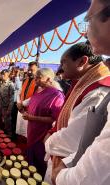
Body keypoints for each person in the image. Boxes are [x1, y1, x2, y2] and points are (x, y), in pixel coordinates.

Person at [51, 1, 110, 184]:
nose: (61, 68)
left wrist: (61, 175)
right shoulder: (80, 84)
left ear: (82, 62)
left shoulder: (97, 88)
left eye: (88, 18)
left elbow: (97, 168)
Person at [22, 68, 64, 177]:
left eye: (38, 78)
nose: (35, 80)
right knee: (30, 156)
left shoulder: (57, 95)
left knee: (39, 159)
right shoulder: (39, 90)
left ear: (49, 79)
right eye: (35, 77)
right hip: (32, 129)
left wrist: (32, 117)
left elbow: (54, 119)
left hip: (43, 134)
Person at [16, 62, 39, 138]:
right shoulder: (25, 80)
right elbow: (19, 92)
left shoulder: (38, 82)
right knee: (20, 129)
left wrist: (22, 104)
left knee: (27, 132)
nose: (29, 72)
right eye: (29, 70)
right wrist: (19, 103)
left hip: (30, 109)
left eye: (32, 70)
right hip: (21, 108)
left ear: (38, 70)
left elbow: (35, 96)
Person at [0, 69, 15, 136]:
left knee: (7, 123)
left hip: (6, 107)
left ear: (8, 75)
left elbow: (12, 98)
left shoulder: (10, 84)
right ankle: (0, 135)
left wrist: (9, 109)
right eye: (2, 74)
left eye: (4, 74)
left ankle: (9, 136)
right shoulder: (0, 83)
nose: (2, 75)